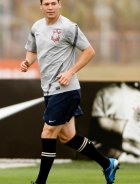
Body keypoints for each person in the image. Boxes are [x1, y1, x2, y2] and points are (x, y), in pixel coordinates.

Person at [20, 0, 119, 183]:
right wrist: (27, 62)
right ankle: (107, 163)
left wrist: (70, 72)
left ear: (60, 5)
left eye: (53, 3)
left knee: (48, 132)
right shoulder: (37, 27)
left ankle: (40, 182)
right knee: (68, 137)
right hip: (49, 90)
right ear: (41, 6)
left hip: (66, 90)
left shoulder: (68, 27)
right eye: (46, 4)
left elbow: (89, 51)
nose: (50, 7)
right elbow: (32, 50)